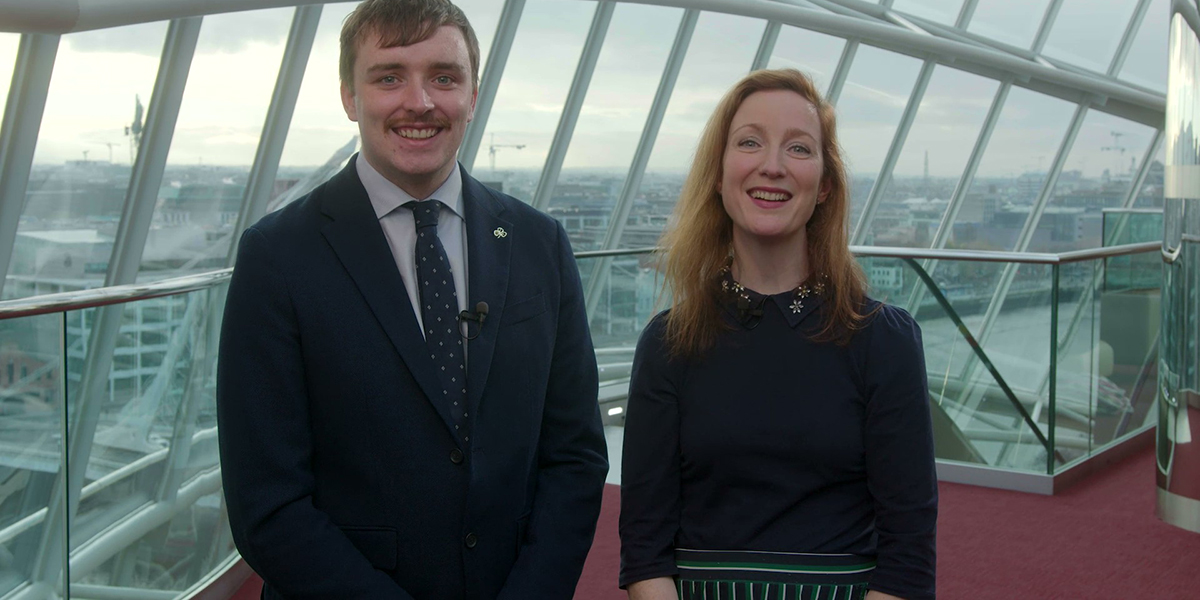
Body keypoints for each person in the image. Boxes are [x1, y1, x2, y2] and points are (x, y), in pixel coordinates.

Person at [216, 1, 608, 598]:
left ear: (473, 95)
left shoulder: (539, 243)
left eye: (444, 77)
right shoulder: (278, 256)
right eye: (389, 76)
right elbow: (266, 502)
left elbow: (575, 455)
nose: (420, 102)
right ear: (350, 97)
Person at [618, 68, 937, 600]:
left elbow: (909, 559)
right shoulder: (667, 344)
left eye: (798, 148)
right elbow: (644, 552)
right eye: (749, 143)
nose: (772, 166)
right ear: (717, 176)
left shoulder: (883, 340)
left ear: (826, 187)